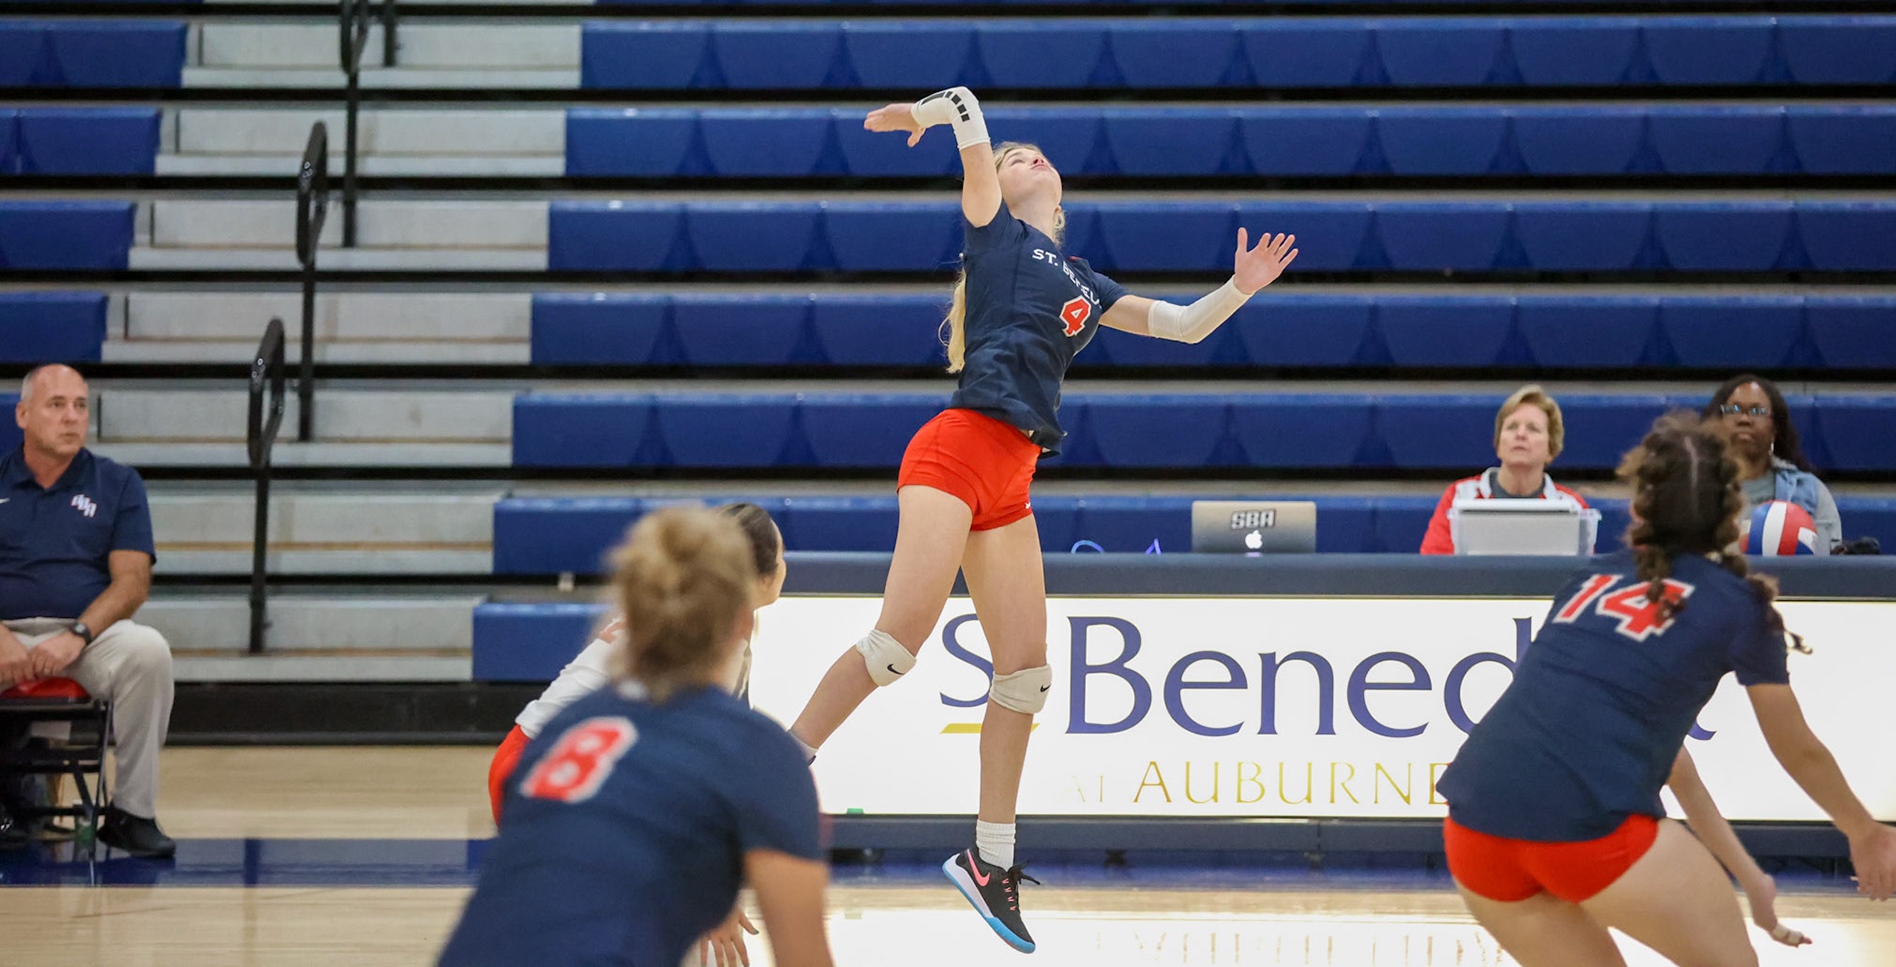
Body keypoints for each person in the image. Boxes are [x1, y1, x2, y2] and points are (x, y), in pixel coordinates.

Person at [783, 87, 1299, 953]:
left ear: (1059, 193)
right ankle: (770, 767)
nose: (1023, 157)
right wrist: (927, 117)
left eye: (1035, 156)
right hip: (956, 448)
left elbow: (1179, 326)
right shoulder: (995, 231)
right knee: (896, 645)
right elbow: (968, 108)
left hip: (1013, 475)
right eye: (1010, 155)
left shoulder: (1083, 279)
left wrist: (1238, 289)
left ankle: (988, 861)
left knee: (1025, 678)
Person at [1438, 412, 1896, 966]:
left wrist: (1749, 877)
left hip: (1475, 830)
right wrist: (1860, 828)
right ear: (1733, 514)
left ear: (1640, 508)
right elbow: (1797, 747)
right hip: (1588, 830)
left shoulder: (1588, 579)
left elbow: (1674, 765)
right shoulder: (1739, 604)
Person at [441, 507, 830, 967]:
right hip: (552, 760)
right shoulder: (745, 739)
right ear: (753, 584)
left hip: (547, 758)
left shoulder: (589, 715)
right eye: (782, 554)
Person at [0, 364, 174, 858]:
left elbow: (133, 582)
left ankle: (132, 813)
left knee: (149, 651)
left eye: (80, 406)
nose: (72, 417)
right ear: (23, 414)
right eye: (57, 405)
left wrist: (77, 634)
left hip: (85, 637)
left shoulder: (117, 483)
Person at [1421, 384, 1588, 555]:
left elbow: (1583, 577)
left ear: (1551, 450)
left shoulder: (1572, 507)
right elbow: (1434, 570)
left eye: (1533, 428)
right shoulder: (1459, 495)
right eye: (1511, 427)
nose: (1520, 434)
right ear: (1498, 444)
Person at [1702, 374, 1842, 555]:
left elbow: (1827, 565)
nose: (1744, 419)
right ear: (1718, 422)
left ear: (1775, 429)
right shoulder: (1696, 488)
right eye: (1734, 409)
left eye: (1757, 411)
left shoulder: (1810, 491)